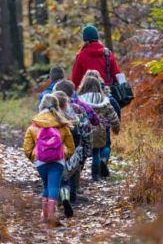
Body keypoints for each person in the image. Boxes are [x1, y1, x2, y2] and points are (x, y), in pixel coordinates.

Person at [23, 95, 75, 225]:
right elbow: (71, 147)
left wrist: (35, 158)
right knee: (54, 186)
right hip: (57, 161)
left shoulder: (34, 126)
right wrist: (63, 154)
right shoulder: (62, 125)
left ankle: (44, 215)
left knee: (46, 185)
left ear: (41, 107)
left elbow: (27, 148)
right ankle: (52, 215)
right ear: (57, 107)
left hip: (41, 162)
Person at [77, 76, 120, 181]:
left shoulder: (79, 99)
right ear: (97, 86)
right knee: (96, 152)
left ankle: (76, 176)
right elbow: (112, 115)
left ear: (84, 86)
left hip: (83, 130)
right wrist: (116, 128)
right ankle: (95, 176)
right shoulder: (104, 100)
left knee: (81, 154)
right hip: (99, 129)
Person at [71, 25, 121, 89]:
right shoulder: (108, 53)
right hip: (107, 92)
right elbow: (117, 75)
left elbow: (75, 79)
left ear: (85, 40)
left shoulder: (81, 56)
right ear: (97, 38)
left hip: (87, 93)